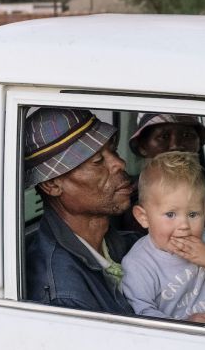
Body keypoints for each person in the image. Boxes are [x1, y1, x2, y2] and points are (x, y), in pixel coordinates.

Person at [24, 107, 139, 314]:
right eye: (97, 161)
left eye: (112, 151)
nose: (119, 163)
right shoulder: (64, 297)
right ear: (52, 185)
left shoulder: (118, 243)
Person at [120, 151, 205, 323]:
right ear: (144, 217)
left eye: (193, 214)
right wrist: (186, 324)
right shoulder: (139, 263)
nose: (184, 225)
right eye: (170, 214)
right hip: (175, 342)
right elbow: (141, 315)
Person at [128, 113, 205, 264]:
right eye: (163, 137)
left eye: (187, 135)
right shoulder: (148, 201)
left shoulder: (195, 188)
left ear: (198, 144)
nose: (175, 145)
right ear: (143, 147)